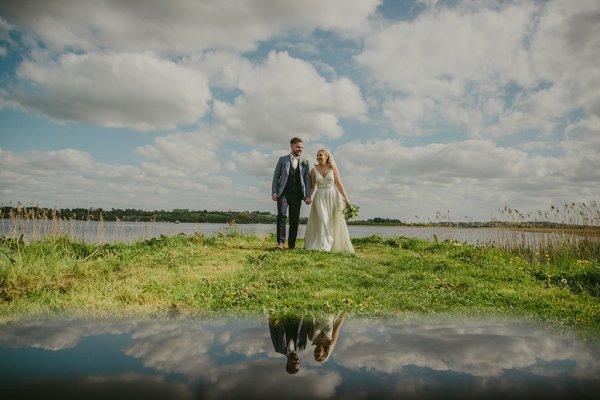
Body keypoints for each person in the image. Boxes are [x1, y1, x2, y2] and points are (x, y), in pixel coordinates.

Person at [303, 148, 354, 253]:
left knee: (332, 221)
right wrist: (308, 197)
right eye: (317, 155)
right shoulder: (313, 170)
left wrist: (346, 199)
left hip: (333, 197)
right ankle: (324, 246)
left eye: (320, 155)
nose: (318, 157)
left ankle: (330, 245)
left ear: (326, 156)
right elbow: (312, 187)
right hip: (320, 197)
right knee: (323, 219)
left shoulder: (333, 168)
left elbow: (339, 184)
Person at [272, 137, 312, 250]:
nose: (300, 149)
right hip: (283, 193)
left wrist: (308, 195)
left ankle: (291, 245)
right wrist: (274, 192)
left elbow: (307, 180)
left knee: (294, 219)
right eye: (298, 147)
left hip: (297, 195)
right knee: (282, 215)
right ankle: (280, 243)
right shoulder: (282, 159)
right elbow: (276, 176)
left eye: (302, 147)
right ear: (291, 146)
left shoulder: (305, 162)